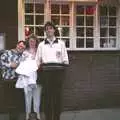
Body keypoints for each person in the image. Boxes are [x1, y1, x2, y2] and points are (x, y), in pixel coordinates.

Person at [35, 21, 69, 120]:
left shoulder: (61, 44)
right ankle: (48, 118)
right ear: (45, 31)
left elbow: (65, 59)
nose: (48, 30)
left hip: (58, 73)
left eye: (50, 28)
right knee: (47, 98)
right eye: (46, 29)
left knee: (57, 97)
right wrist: (39, 69)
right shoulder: (41, 45)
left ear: (54, 30)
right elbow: (37, 60)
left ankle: (57, 117)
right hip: (45, 74)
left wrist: (62, 67)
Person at [15, 34, 42, 120]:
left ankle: (37, 114)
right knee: (27, 97)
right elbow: (21, 64)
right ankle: (27, 114)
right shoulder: (25, 52)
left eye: (34, 41)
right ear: (28, 42)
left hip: (38, 78)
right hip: (27, 78)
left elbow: (42, 62)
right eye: (30, 41)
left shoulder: (39, 51)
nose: (32, 43)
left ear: (36, 42)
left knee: (37, 97)